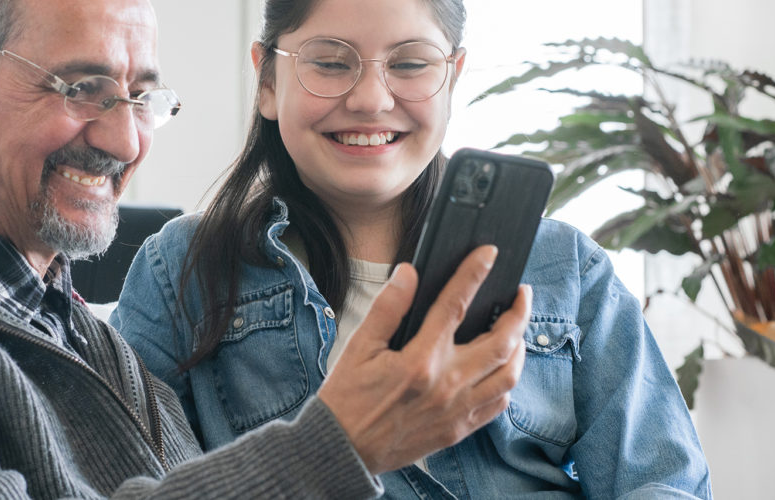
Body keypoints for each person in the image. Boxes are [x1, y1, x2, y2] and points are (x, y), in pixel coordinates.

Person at [0, 0, 534, 497]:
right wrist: (339, 445)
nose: (127, 139)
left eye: (141, 96)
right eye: (83, 89)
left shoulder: (76, 325)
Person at [109, 0, 713, 497]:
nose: (371, 99)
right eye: (329, 62)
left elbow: (662, 483)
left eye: (411, 64)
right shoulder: (179, 273)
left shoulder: (566, 270)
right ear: (266, 80)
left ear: (452, 77)